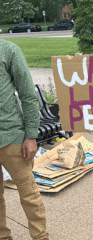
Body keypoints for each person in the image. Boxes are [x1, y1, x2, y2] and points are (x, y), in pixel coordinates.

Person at [0, 39, 49, 240]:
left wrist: (30, 136)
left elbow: (28, 95)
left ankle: (40, 236)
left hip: (12, 138)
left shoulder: (9, 50)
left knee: (29, 195)